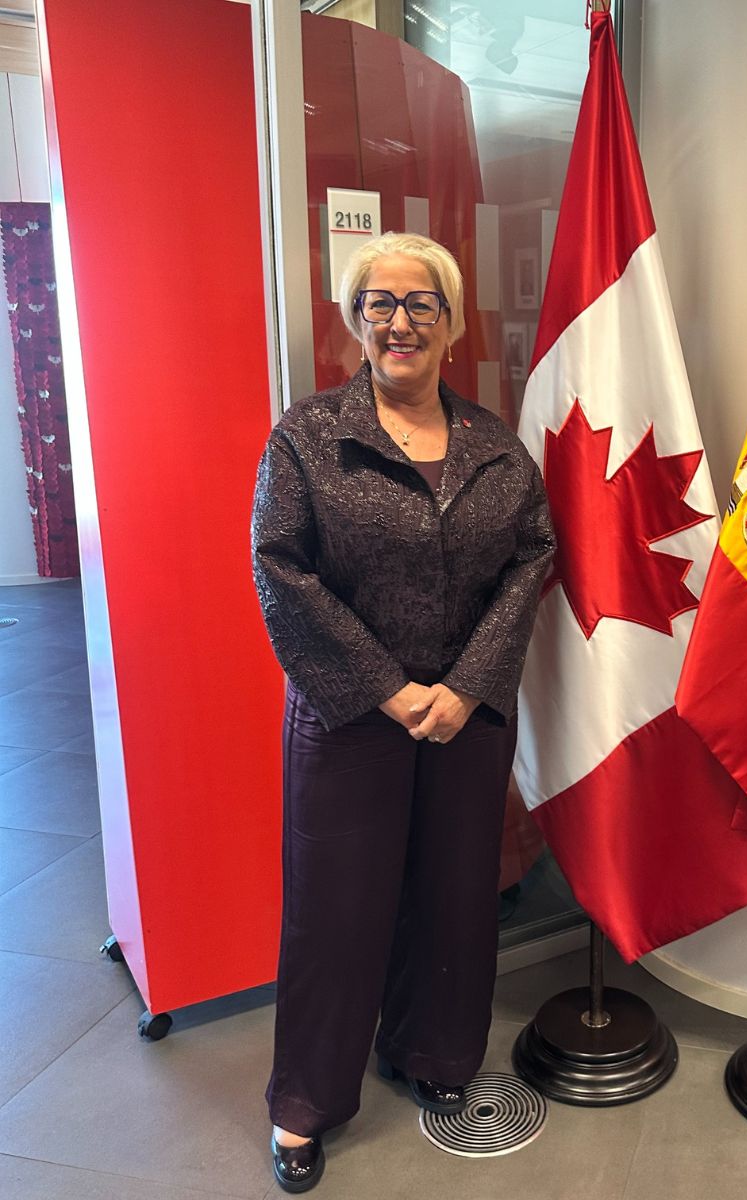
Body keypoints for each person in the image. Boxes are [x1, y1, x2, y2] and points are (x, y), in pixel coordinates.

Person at [251, 231, 555, 1193]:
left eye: (421, 303)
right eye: (378, 303)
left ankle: (434, 1053)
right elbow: (279, 567)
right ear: (355, 320)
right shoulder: (309, 436)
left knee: (455, 896)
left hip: (467, 715)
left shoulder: (497, 447)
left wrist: (467, 685)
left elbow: (533, 557)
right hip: (350, 716)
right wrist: (388, 687)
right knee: (336, 910)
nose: (400, 322)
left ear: (452, 323)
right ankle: (306, 1103)